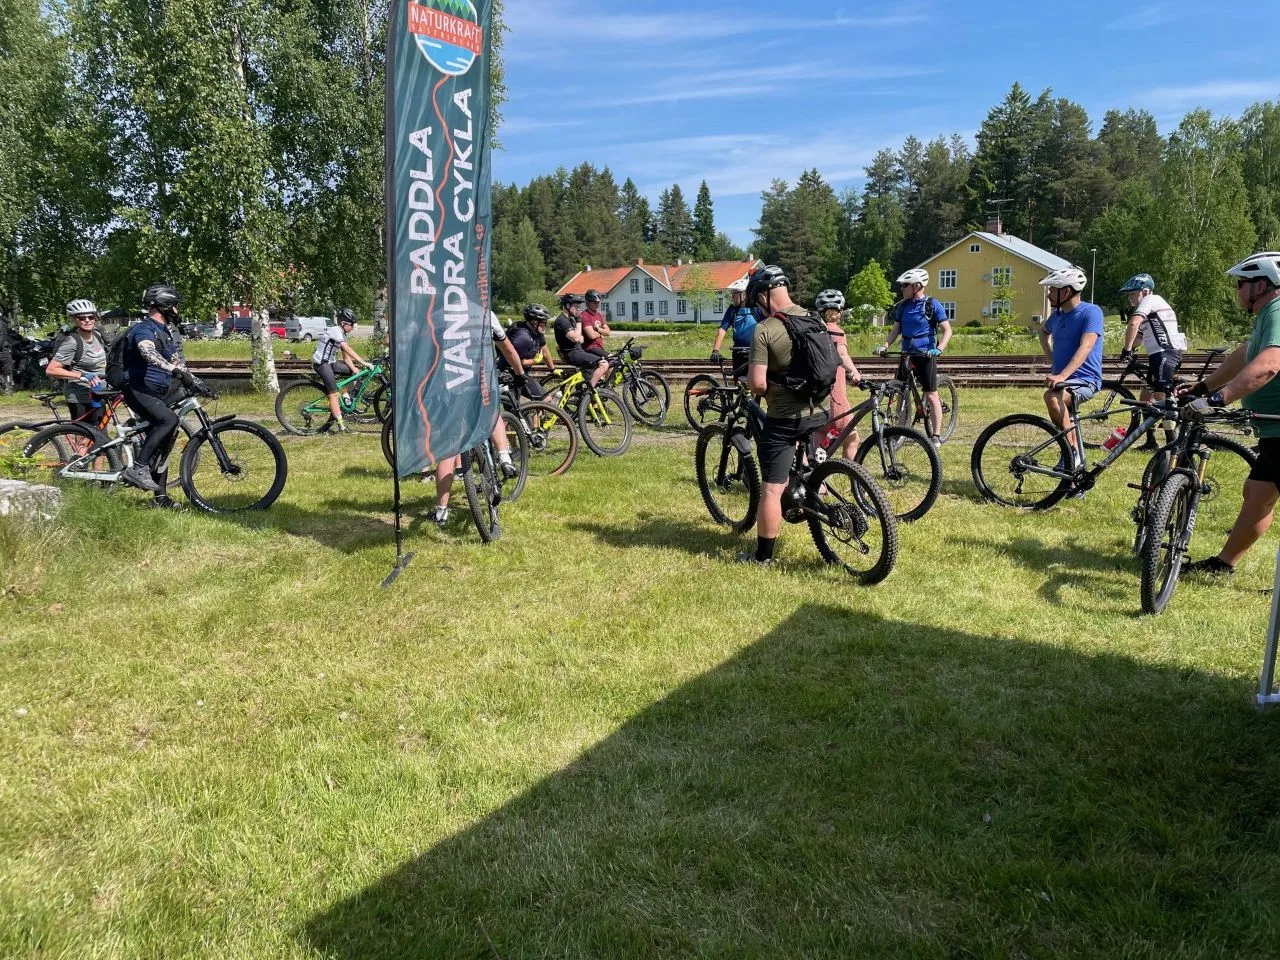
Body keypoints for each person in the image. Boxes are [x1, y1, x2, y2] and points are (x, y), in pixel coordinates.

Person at [1177, 252, 1280, 577]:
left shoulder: (1278, 311)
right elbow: (1244, 356)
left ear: (1259, 285)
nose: (1237, 291)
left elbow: (1268, 365)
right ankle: (1224, 564)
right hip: (1275, 431)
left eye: (1241, 284)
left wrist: (1217, 400)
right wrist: (1202, 388)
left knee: (1260, 494)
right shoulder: (1267, 316)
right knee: (1259, 493)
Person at [741, 265, 831, 567]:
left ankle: (763, 557)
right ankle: (815, 494)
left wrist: (765, 390)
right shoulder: (814, 318)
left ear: (765, 296)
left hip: (785, 418)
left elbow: (757, 383)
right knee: (809, 465)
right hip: (820, 411)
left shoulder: (765, 329)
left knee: (772, 487)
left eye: (757, 301)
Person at [428, 311, 523, 528]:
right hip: (481, 380)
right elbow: (507, 348)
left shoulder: (440, 314)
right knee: (492, 414)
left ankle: (441, 511)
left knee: (449, 448)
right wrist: (519, 373)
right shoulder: (485, 313)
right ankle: (504, 457)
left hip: (450, 384)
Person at [122, 284, 201, 505]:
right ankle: (138, 468)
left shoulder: (163, 331)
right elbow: (147, 352)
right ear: (165, 305)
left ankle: (161, 496)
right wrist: (174, 370)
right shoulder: (144, 328)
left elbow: (175, 361)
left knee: (165, 438)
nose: (177, 309)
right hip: (137, 388)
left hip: (155, 390)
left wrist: (196, 382)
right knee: (169, 419)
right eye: (174, 305)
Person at [1037, 266, 1104, 475]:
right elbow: (1043, 333)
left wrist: (1061, 375)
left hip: (1086, 379)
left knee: (1053, 398)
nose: (1048, 294)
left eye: (1052, 289)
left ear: (1066, 292)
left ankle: (1071, 453)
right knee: (1056, 400)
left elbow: (1086, 346)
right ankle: (1071, 455)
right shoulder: (1056, 316)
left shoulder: (1091, 312)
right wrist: (1053, 362)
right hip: (1064, 380)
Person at [875, 268, 952, 447]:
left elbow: (947, 330)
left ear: (917, 286)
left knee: (931, 395)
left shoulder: (932, 305)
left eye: (905, 285)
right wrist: (885, 345)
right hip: (907, 354)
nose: (902, 288)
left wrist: (938, 349)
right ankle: (899, 431)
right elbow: (896, 330)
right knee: (900, 391)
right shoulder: (903, 306)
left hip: (926, 354)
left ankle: (936, 435)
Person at [1119, 273, 1187, 447]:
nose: (1130, 298)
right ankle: (1151, 441)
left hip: (1166, 353)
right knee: (1145, 396)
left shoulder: (1150, 300)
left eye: (1133, 293)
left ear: (1145, 291)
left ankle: (1173, 442)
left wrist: (1126, 349)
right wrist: (1130, 348)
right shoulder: (1151, 307)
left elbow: (1134, 323)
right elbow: (1139, 337)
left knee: (1161, 398)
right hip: (1159, 355)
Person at [814, 289, 862, 459]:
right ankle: (854, 478)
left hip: (817, 398)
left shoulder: (814, 331)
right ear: (840, 311)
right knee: (851, 438)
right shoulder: (837, 332)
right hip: (836, 399)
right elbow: (842, 354)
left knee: (820, 440)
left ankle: (817, 482)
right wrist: (854, 372)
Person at [45, 299, 108, 423]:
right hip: (80, 396)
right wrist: (81, 375)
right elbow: (51, 370)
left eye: (91, 317)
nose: (87, 320)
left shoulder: (97, 335)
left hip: (99, 392)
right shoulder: (72, 341)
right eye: (82, 318)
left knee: (101, 435)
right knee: (84, 436)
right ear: (73, 319)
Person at [312, 307, 373, 433]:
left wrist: (354, 368)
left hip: (331, 363)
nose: (352, 327)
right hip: (322, 365)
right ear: (343, 323)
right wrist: (363, 362)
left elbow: (346, 357)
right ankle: (341, 425)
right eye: (351, 325)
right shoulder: (335, 331)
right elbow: (346, 348)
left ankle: (346, 397)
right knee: (333, 395)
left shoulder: (342, 334)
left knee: (352, 373)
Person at [498, 303, 556, 399]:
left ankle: (530, 412)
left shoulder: (537, 332)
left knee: (545, 399)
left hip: (521, 375)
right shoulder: (523, 338)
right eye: (543, 322)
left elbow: (544, 351)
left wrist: (552, 369)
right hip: (509, 375)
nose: (546, 325)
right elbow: (513, 360)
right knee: (514, 410)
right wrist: (534, 361)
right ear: (534, 322)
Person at [552, 293, 609, 387]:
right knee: (603, 364)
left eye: (579, 306)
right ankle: (590, 390)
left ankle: (583, 388)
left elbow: (581, 339)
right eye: (576, 306)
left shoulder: (570, 319)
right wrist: (579, 321)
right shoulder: (562, 320)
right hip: (572, 354)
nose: (578, 308)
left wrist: (577, 336)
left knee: (594, 367)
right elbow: (577, 338)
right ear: (567, 305)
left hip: (578, 351)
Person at [710, 277, 758, 379]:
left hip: (755, 352)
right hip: (738, 352)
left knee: (755, 382)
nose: (732, 297)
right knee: (740, 385)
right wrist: (715, 350)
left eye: (735, 294)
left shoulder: (756, 309)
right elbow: (722, 330)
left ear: (744, 294)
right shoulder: (732, 310)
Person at [580, 290, 611, 357]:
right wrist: (601, 333)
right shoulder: (585, 316)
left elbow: (608, 332)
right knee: (612, 359)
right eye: (594, 302)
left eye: (598, 302)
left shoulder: (598, 315)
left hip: (599, 348)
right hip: (590, 348)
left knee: (614, 360)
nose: (597, 304)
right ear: (588, 302)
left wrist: (597, 329)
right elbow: (592, 335)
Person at [0, 304, 14, 395]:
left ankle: (7, 388)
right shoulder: (3, 323)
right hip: (4, 349)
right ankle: (7, 388)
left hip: (3, 349)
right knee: (7, 370)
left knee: (7, 370)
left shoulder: (1, 324)